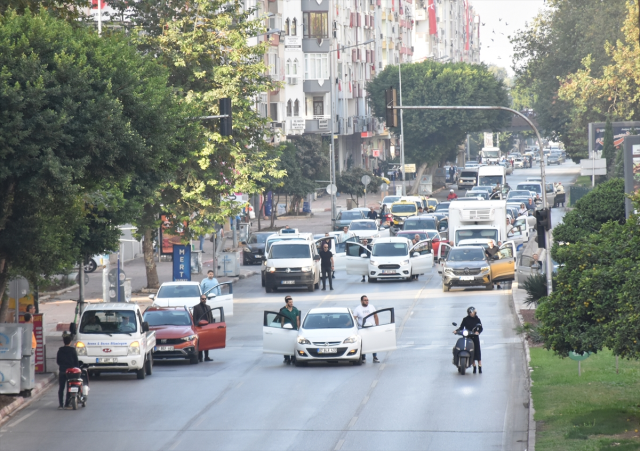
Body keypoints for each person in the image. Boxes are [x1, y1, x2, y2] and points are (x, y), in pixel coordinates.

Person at [453, 306, 483, 373]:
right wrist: (456, 331)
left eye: (473, 312)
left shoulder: (477, 319)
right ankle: (474, 365)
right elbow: (461, 327)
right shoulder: (465, 319)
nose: (472, 314)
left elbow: (481, 328)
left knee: (477, 350)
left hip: (475, 337)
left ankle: (480, 365)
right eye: (471, 312)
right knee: (470, 350)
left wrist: (478, 332)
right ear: (468, 313)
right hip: (468, 336)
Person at [352, 295, 380, 363]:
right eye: (365, 300)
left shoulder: (371, 307)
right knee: (363, 344)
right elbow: (353, 318)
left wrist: (377, 325)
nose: (367, 301)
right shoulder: (357, 309)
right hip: (362, 329)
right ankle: (363, 358)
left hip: (372, 328)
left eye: (367, 300)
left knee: (373, 343)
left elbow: (375, 316)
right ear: (361, 301)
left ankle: (375, 357)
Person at [57, 333, 79, 409]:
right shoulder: (73, 350)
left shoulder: (60, 350)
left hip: (62, 371)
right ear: (70, 342)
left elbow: (58, 361)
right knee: (70, 387)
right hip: (71, 372)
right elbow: (76, 362)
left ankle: (60, 404)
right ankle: (67, 404)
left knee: (61, 388)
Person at [193, 295, 214, 361]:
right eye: (202, 299)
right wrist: (196, 326)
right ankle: (200, 357)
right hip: (200, 328)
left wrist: (212, 326)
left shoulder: (208, 307)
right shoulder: (196, 307)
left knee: (207, 343)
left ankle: (206, 357)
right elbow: (194, 318)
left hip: (207, 327)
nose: (204, 300)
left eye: (205, 299)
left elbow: (211, 317)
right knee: (200, 342)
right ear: (200, 299)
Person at [279, 296, 300, 364]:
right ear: (287, 303)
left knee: (293, 344)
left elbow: (297, 320)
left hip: (294, 330)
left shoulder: (295, 310)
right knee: (286, 344)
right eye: (290, 302)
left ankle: (293, 358)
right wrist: (282, 329)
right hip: (286, 330)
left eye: (292, 302)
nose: (291, 303)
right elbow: (282, 321)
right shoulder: (283, 311)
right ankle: (287, 358)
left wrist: (298, 329)